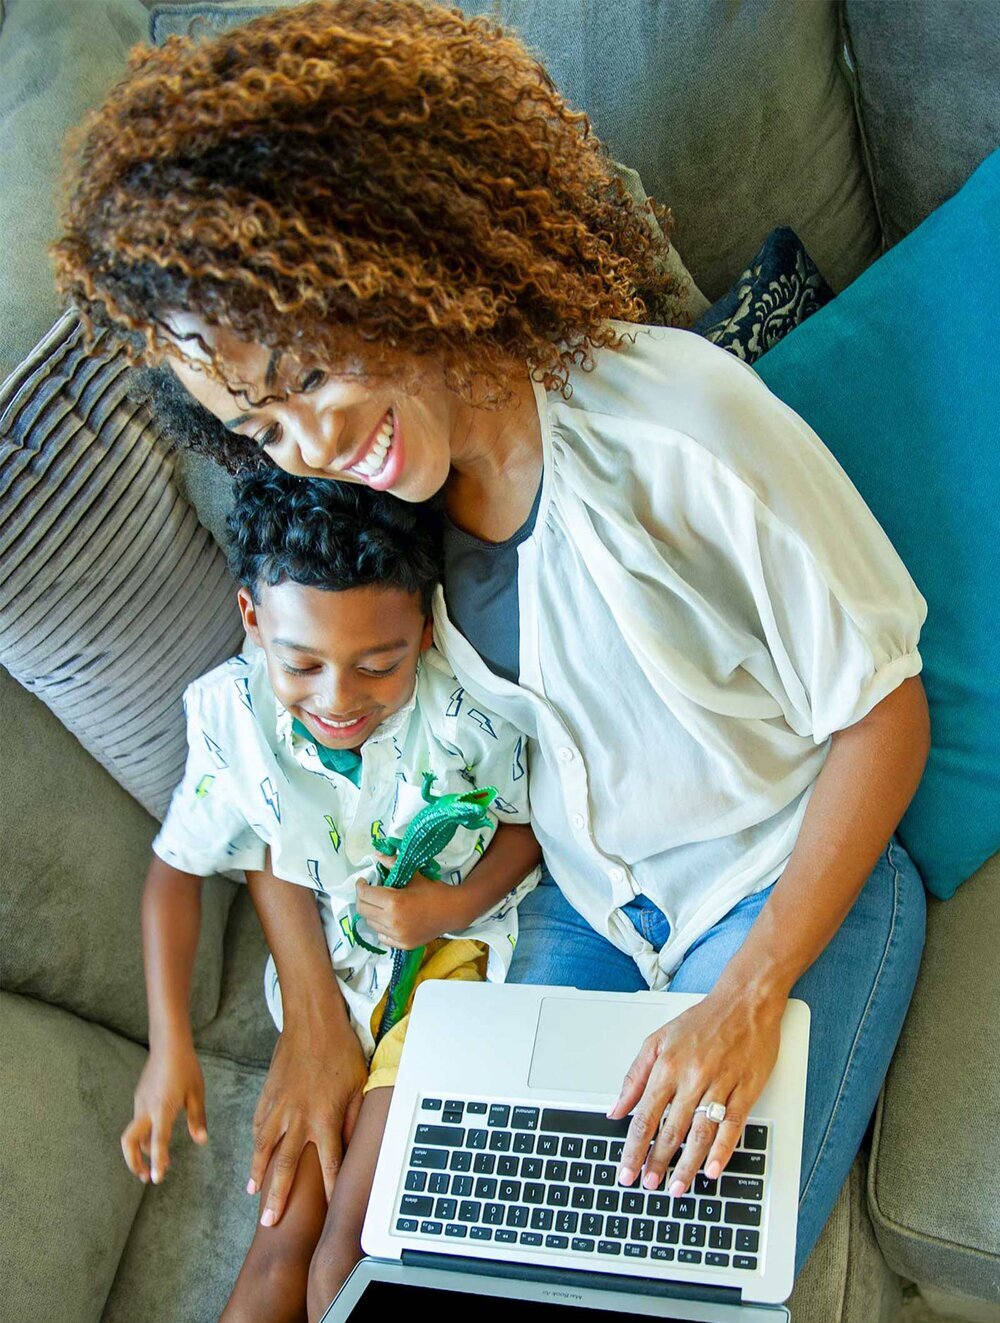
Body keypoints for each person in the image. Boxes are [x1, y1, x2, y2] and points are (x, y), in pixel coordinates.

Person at [56, 0, 930, 1308]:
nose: (307, 441)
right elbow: (287, 772)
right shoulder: (379, 513)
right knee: (439, 1266)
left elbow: (888, 713)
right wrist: (317, 1012)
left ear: (394, 247)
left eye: (308, 373)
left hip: (781, 882)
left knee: (659, 1281)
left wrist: (748, 994)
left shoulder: (682, 431)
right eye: (257, 419)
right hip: (585, 902)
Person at [120, 465, 540, 1320]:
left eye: (377, 665)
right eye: (302, 662)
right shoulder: (235, 714)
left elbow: (534, 826)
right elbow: (176, 872)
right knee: (278, 1248)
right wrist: (169, 1045)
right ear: (252, 622)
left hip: (452, 970)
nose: (338, 701)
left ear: (423, 629)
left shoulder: (463, 712)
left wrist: (448, 908)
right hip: (338, 983)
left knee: (346, 1256)